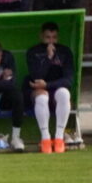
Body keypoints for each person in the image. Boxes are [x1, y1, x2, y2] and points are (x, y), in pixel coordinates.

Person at [27, 22, 75, 153]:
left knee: (64, 93)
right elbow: (37, 76)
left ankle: (59, 138)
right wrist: (48, 58)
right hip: (39, 90)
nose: (51, 41)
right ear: (41, 36)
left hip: (55, 87)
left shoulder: (65, 52)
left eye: (54, 37)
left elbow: (69, 80)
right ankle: (45, 138)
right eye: (48, 37)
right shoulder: (33, 52)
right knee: (42, 97)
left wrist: (48, 85)